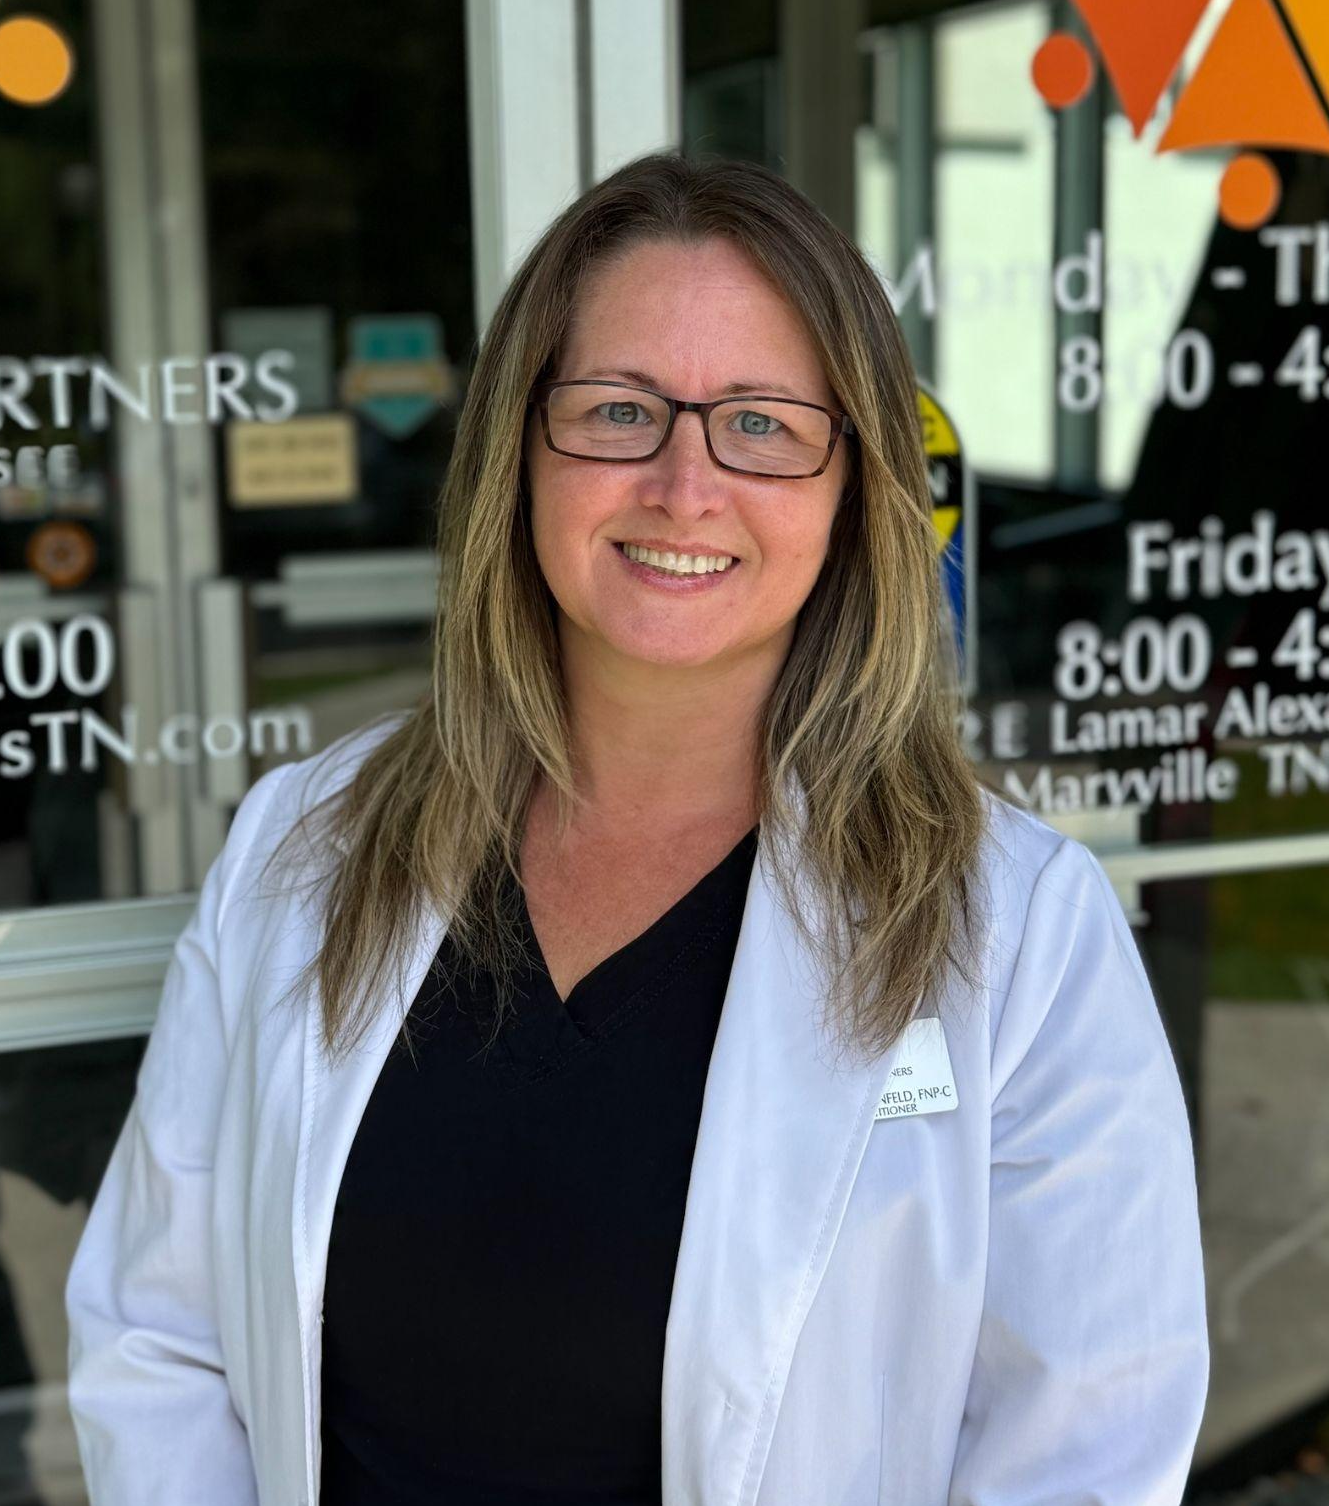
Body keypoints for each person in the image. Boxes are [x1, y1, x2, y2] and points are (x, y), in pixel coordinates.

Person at [64, 151, 1209, 1506]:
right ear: (519, 449)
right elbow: (159, 1335)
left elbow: (1083, 1451)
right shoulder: (299, 850)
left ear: (854, 492)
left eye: (765, 425)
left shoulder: (1018, 934)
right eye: (618, 409)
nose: (683, 482)